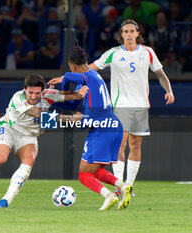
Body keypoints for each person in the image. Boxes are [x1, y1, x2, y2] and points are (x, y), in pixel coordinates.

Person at [0, 74, 88, 208]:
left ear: (43, 91)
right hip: (9, 128)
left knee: (28, 163)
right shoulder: (18, 98)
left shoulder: (49, 94)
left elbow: (68, 96)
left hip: (29, 135)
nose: (33, 96)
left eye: (37, 93)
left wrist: (80, 92)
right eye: (30, 93)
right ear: (24, 90)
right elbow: (40, 116)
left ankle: (5, 201)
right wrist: (70, 119)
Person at [88, 19, 175, 196]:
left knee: (136, 146)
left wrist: (169, 91)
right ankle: (119, 187)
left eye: (131, 31)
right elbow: (92, 68)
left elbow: (160, 73)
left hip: (142, 105)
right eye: (125, 31)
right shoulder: (113, 53)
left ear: (137, 34)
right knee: (120, 146)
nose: (128, 34)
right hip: (121, 105)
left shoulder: (147, 52)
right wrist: (76, 77)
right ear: (121, 35)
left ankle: (129, 186)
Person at [48, 46, 132, 211]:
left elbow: (69, 77)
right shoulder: (93, 77)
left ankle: (109, 196)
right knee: (95, 170)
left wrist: (63, 85)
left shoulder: (86, 77)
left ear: (71, 65)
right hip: (113, 126)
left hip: (102, 128)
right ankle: (122, 186)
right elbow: (73, 103)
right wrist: (54, 100)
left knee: (83, 174)